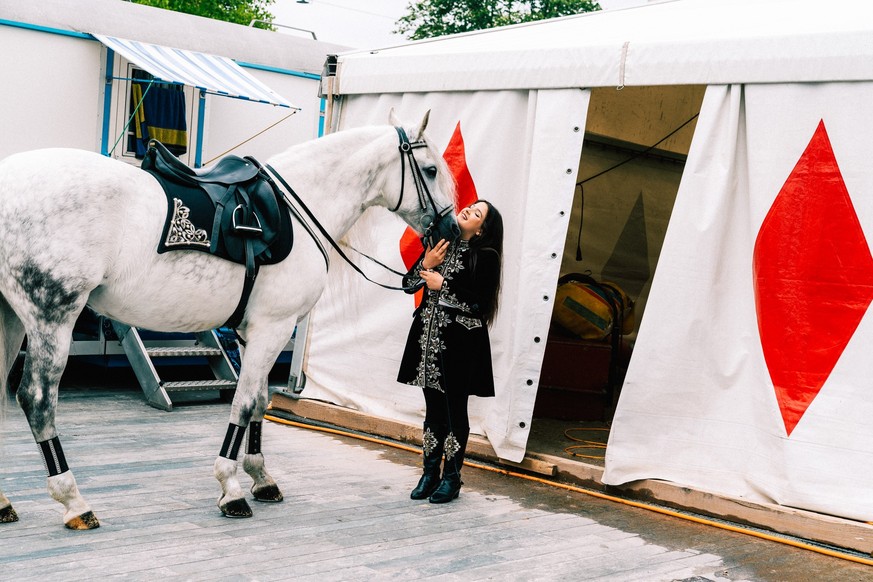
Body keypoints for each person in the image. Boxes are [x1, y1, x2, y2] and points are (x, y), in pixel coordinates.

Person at [397, 199, 504, 504]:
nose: (469, 210)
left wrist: (443, 285)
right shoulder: (440, 245)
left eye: (477, 213)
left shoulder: (486, 257)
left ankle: (452, 478)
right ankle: (429, 474)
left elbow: (479, 307)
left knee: (454, 410)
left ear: (482, 229)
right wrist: (426, 265)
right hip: (427, 342)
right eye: (471, 206)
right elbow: (408, 285)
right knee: (432, 411)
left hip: (460, 347)